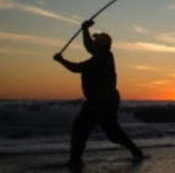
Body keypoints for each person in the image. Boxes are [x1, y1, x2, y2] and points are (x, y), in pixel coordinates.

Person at [53, 20, 143, 168]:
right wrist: (85, 29)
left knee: (80, 127)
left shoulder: (99, 61)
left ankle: (75, 160)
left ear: (99, 46)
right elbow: (88, 45)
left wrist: (61, 61)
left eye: (96, 42)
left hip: (100, 102)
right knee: (112, 131)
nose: (93, 44)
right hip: (108, 100)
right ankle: (135, 151)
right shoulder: (106, 54)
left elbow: (77, 68)